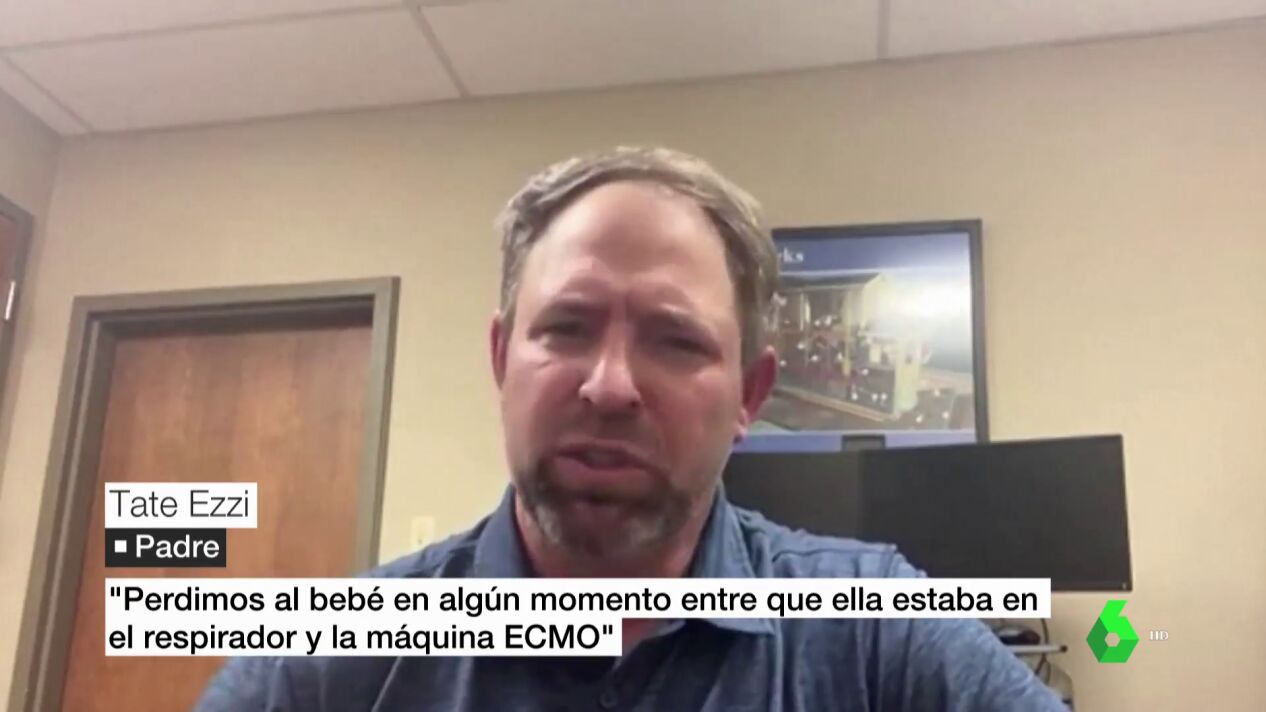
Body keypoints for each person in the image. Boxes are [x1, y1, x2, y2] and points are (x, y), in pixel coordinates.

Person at [197, 147, 1065, 711]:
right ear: (501, 359)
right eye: (566, 327)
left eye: (675, 340)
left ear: (750, 394)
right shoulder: (326, 668)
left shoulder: (877, 634)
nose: (609, 386)